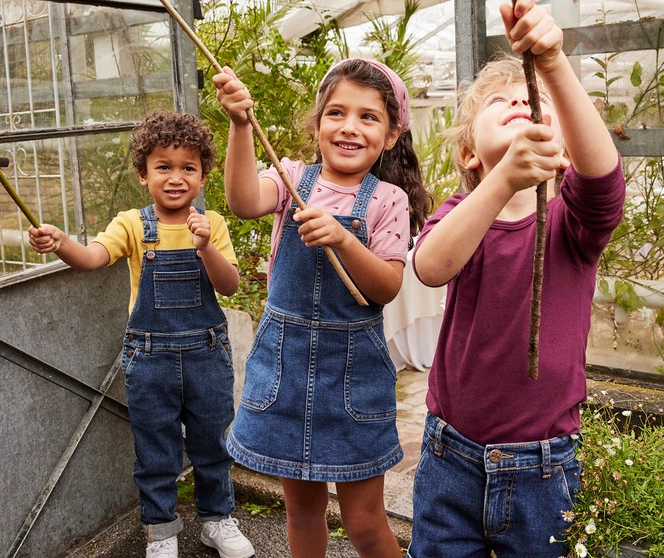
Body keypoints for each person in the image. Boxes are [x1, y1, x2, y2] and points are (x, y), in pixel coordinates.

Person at [407, 0, 626, 557]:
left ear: (561, 146)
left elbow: (604, 181)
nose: (518, 102)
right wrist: (501, 182)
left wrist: (552, 65)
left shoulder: (570, 224)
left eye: (530, 102)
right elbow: (431, 266)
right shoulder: (462, 215)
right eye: (497, 102)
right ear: (468, 156)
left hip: (543, 468)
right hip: (449, 457)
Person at [213, 58, 432, 558]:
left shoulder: (388, 200)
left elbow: (386, 286)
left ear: (393, 134)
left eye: (368, 117)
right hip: (285, 372)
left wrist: (344, 240)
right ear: (317, 124)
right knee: (303, 514)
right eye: (336, 113)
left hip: (351, 380)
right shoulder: (292, 179)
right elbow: (243, 200)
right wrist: (240, 125)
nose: (349, 127)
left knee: (363, 522)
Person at [28, 110, 255, 558]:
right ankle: (161, 532)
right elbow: (93, 258)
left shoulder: (213, 225)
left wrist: (205, 246)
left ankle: (216, 520)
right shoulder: (133, 224)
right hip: (150, 358)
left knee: (214, 443)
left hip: (207, 353)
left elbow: (228, 285)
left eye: (188, 167)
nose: (176, 177)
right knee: (156, 451)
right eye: (163, 167)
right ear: (143, 174)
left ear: (204, 175)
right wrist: (61, 243)